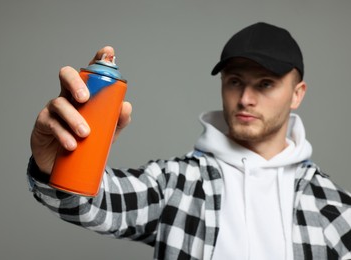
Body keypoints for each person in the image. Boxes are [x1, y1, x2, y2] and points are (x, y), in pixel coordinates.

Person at [27, 22, 351, 259]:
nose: (246, 99)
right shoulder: (177, 183)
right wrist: (58, 164)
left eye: (265, 84)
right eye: (235, 81)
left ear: (297, 95)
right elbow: (92, 202)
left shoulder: (334, 208)